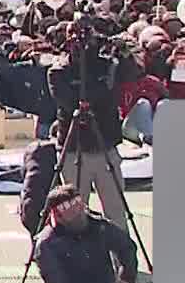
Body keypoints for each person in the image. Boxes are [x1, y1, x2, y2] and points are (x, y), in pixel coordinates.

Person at [47, 19, 132, 236]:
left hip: (105, 145)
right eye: (75, 39)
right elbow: (72, 101)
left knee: (115, 209)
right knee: (74, 210)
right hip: (74, 148)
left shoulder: (107, 65)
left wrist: (123, 56)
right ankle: (76, 258)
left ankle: (122, 259)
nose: (82, 45)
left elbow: (124, 83)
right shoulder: (59, 71)